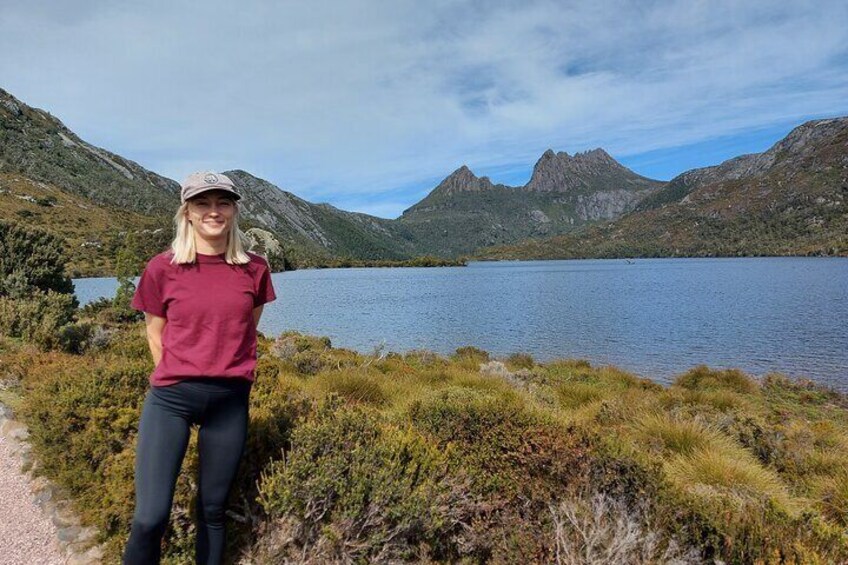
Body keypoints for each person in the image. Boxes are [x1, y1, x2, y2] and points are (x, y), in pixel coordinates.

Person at [122, 172, 277, 564]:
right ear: (187, 213)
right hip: (171, 400)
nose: (213, 211)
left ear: (234, 210)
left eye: (222, 202)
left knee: (212, 512)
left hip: (229, 402)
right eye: (202, 203)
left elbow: (245, 326)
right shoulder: (162, 268)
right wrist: (181, 373)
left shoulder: (254, 269)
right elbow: (155, 336)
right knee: (149, 517)